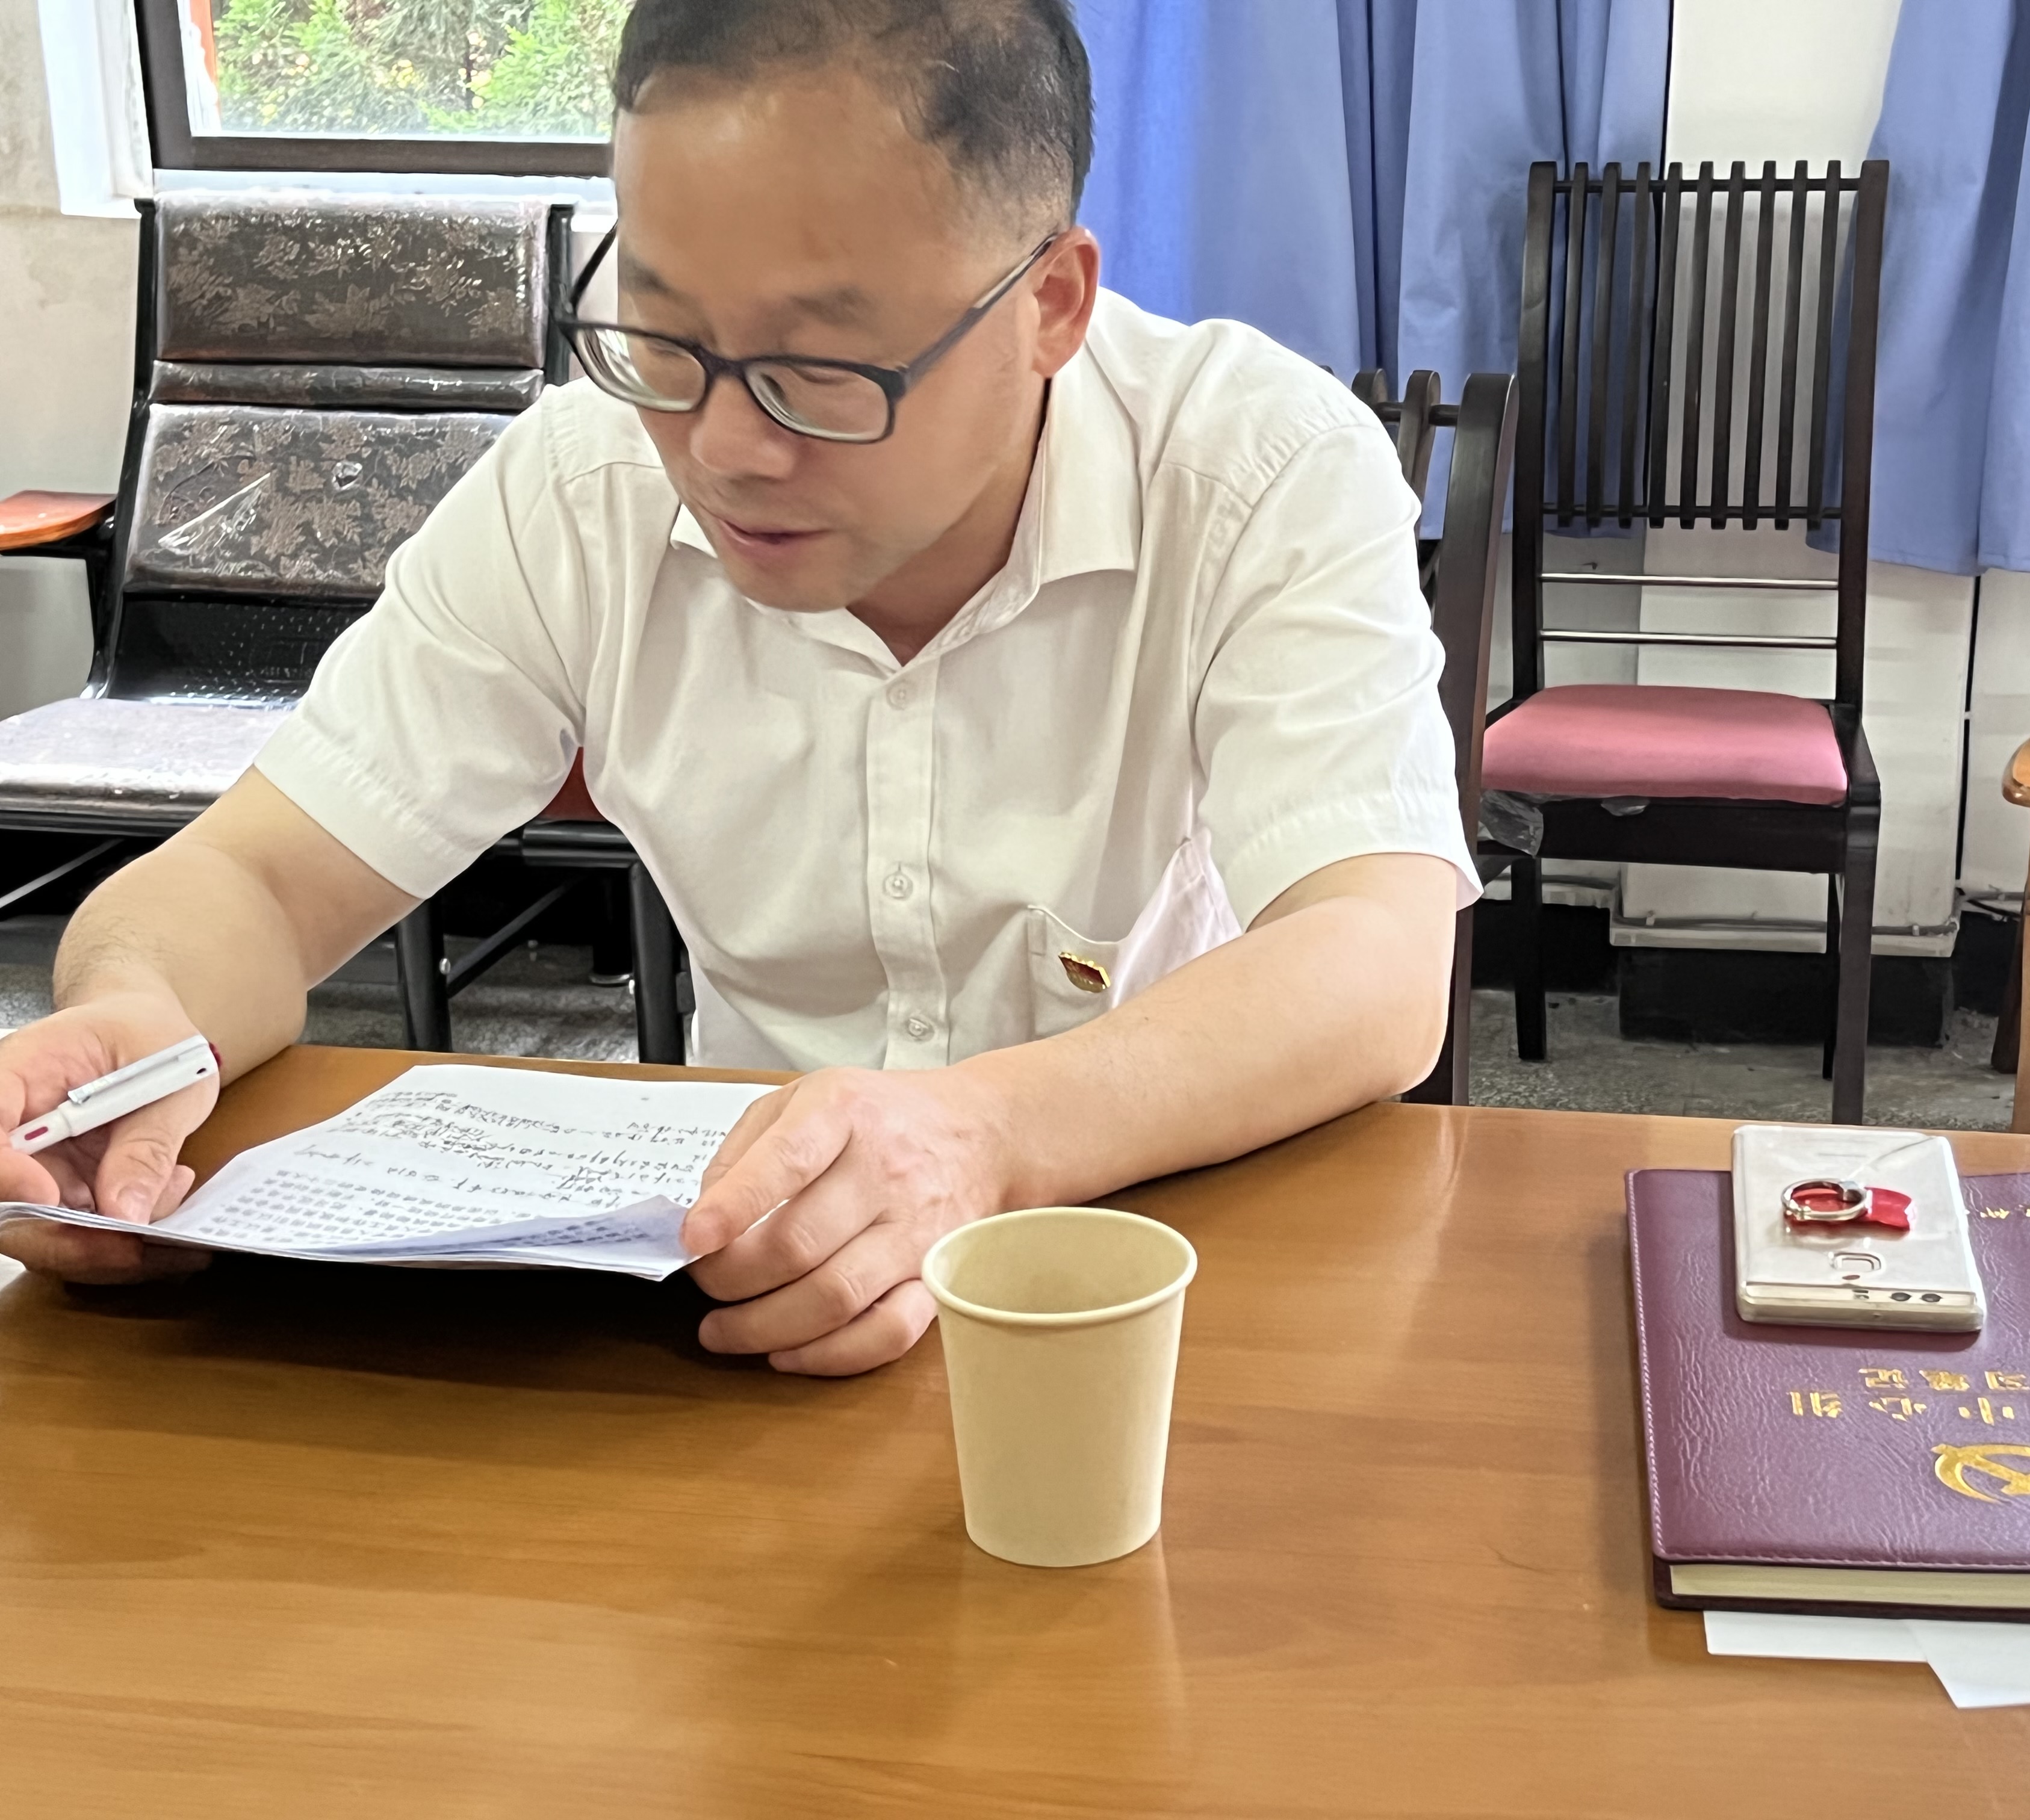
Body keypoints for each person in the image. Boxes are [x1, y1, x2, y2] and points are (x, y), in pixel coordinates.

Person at [0, 0, 1474, 1373]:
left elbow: (1374, 956)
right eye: (662, 337)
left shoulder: (1255, 473)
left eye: (819, 369)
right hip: (745, 1299)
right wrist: (133, 1020)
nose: (721, 451)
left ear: (1051, 303)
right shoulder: (580, 488)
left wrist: (982, 1134)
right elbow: (257, 879)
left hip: (1165, 1272)